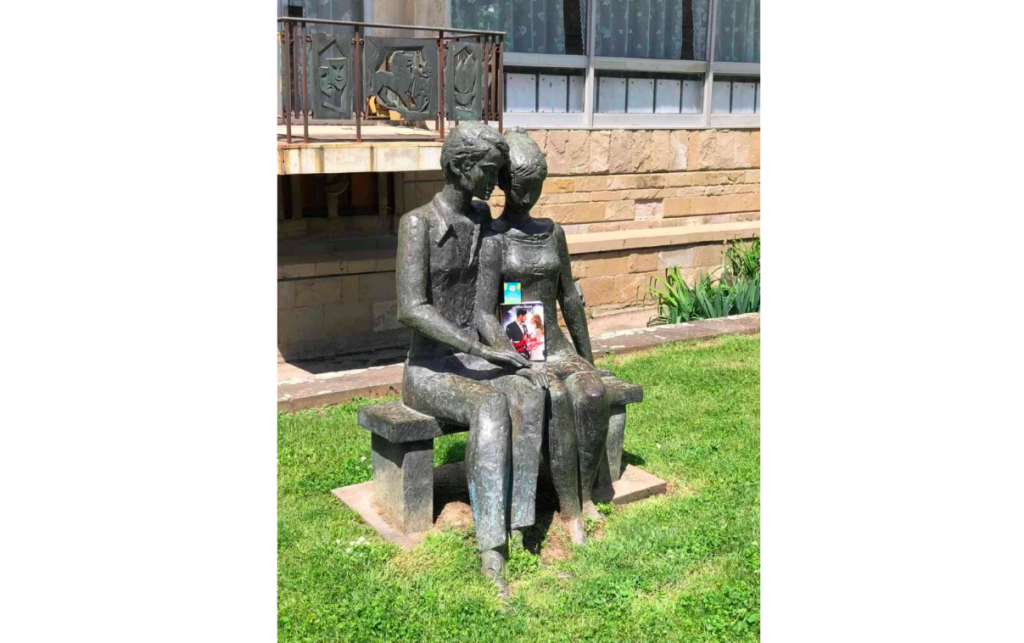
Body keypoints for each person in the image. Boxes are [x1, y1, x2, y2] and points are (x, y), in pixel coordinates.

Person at [395, 122, 543, 594]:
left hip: (474, 359)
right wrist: (476, 348)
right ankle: (492, 552)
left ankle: (521, 523)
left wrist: (509, 353)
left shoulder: (481, 220)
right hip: (429, 370)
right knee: (490, 406)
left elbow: (482, 311)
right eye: (489, 170)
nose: (496, 181)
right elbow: (412, 308)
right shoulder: (418, 224)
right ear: (461, 168)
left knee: (529, 392)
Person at [475, 127, 610, 546]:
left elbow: (568, 298)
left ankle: (584, 494)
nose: (529, 195)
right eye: (522, 187)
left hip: (556, 346)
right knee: (558, 398)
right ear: (504, 184)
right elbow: (484, 312)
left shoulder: (553, 233)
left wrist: (588, 358)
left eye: (536, 186)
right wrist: (512, 357)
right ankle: (571, 512)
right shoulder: (494, 241)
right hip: (519, 350)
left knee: (592, 393)